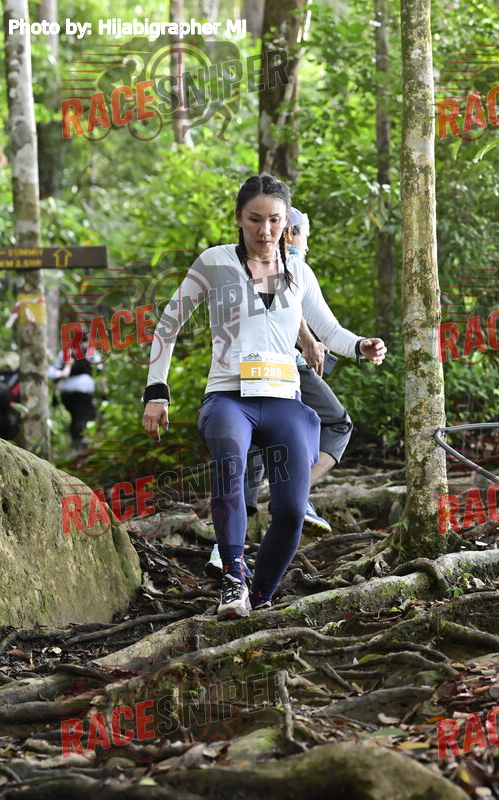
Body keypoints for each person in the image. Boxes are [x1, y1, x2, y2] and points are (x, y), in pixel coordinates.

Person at [142, 173, 386, 620]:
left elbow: (329, 330)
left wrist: (360, 346)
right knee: (231, 473)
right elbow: (168, 324)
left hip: (283, 400)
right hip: (228, 398)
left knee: (291, 510)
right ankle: (232, 578)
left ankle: (261, 595)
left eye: (275, 220)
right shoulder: (215, 262)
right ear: (239, 218)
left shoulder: (299, 272)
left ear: (286, 222)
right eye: (255, 219)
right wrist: (157, 392)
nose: (265, 230)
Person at [205, 206, 354, 579]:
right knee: (334, 423)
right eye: (305, 235)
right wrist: (309, 342)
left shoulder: (256, 257)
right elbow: (279, 303)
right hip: (277, 368)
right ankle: (292, 493)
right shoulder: (284, 257)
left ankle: (228, 547)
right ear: (291, 232)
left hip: (256, 369)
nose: (306, 243)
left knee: (254, 446)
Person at [50, 329, 104, 449]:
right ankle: (80, 446)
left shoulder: (65, 352)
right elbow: (100, 373)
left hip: (66, 390)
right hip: (84, 389)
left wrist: (54, 396)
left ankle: (74, 446)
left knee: (71, 419)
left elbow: (56, 374)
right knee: (82, 418)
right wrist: (104, 394)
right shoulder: (91, 352)